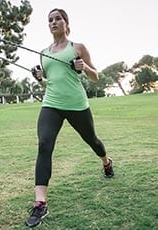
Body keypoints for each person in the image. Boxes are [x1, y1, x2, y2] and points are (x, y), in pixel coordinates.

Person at [25, 8, 114, 228]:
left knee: (92, 140)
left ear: (66, 23)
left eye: (58, 19)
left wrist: (83, 68)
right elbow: (49, 81)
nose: (53, 22)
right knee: (44, 145)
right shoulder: (44, 52)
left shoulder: (78, 48)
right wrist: (39, 78)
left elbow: (96, 77)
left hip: (77, 105)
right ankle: (40, 203)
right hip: (51, 105)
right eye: (50, 20)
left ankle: (106, 162)